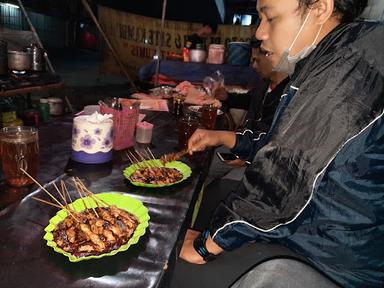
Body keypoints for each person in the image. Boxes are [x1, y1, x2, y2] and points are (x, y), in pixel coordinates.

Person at [171, 0, 384, 288]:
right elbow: (280, 143)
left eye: (270, 18)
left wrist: (206, 245)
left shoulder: (349, 65)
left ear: (319, 9)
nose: (259, 33)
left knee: (172, 270)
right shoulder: (331, 57)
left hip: (334, 261)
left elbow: (286, 174)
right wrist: (223, 137)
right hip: (309, 232)